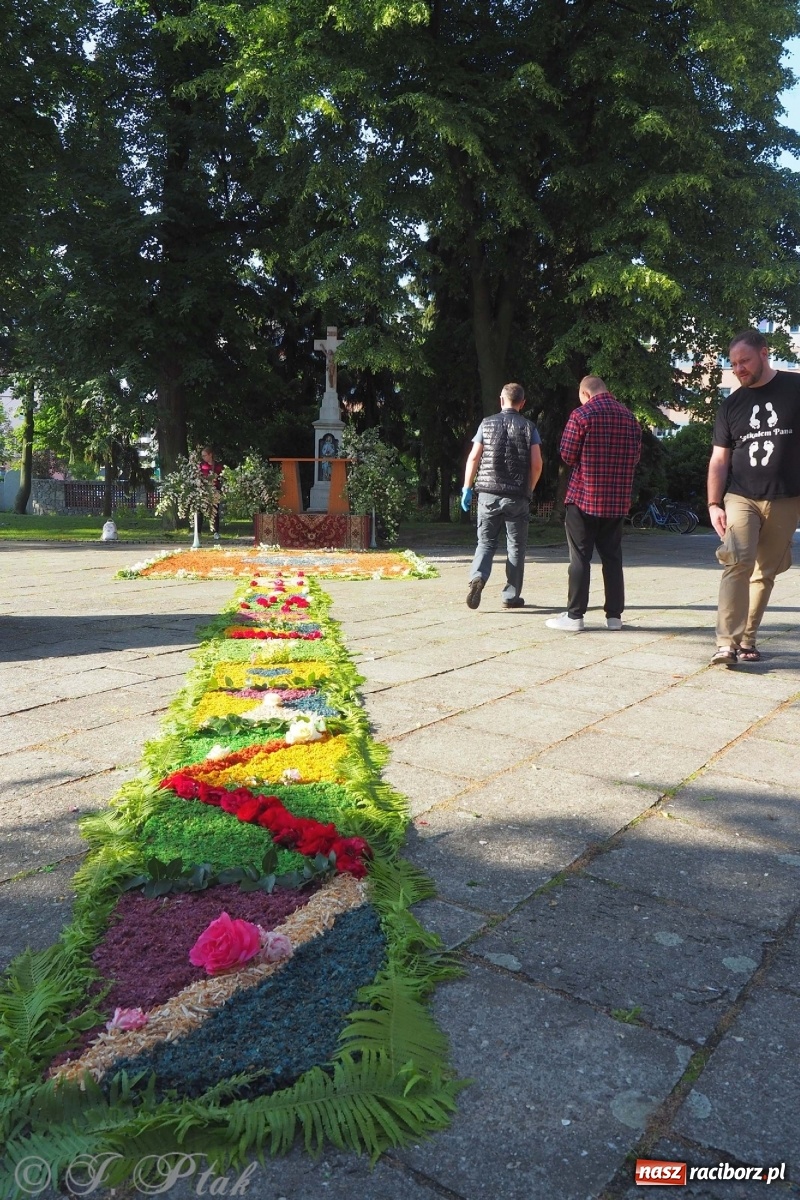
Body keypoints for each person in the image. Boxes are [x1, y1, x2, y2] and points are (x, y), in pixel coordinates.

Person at [707, 329, 800, 666]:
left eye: (744, 361)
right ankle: (726, 644)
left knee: (765, 572)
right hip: (740, 495)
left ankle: (747, 639)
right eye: (733, 364)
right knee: (737, 561)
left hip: (787, 497)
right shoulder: (731, 405)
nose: (738, 369)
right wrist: (713, 503)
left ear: (764, 353)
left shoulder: (795, 388)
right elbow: (719, 459)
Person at [546, 375, 641, 632]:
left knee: (580, 557)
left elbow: (567, 454)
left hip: (584, 497)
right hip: (617, 500)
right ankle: (614, 617)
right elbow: (635, 458)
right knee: (613, 558)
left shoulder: (581, 415)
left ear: (585, 394)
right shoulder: (630, 418)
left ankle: (575, 616)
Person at [461, 382, 543, 609]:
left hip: (488, 494)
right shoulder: (530, 428)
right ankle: (510, 596)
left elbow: (473, 457)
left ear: (501, 400)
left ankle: (478, 577)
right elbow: (537, 464)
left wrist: (467, 487)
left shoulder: (486, 423)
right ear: (523, 403)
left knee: (485, 543)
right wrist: (529, 488)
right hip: (517, 495)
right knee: (516, 547)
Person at [199, 446, 223, 539]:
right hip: (204, 491)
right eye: (202, 456)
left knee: (214, 512)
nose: (203, 457)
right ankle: (198, 532)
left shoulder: (218, 466)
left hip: (214, 491)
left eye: (204, 455)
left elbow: (221, 478)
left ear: (210, 455)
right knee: (200, 510)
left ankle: (216, 532)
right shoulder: (201, 466)